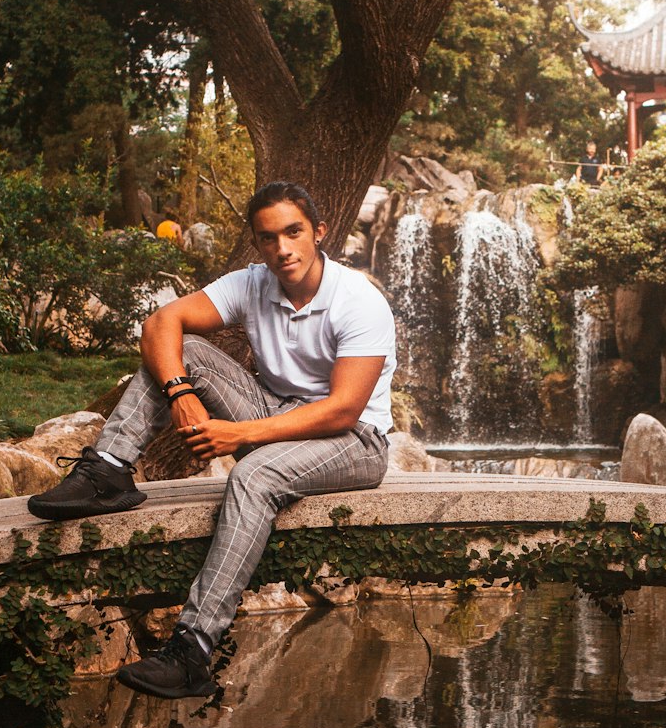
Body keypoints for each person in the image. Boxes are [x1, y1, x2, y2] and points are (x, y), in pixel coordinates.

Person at [26, 182, 396, 699]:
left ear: (320, 232)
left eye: (294, 232)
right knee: (186, 351)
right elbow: (161, 322)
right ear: (257, 244)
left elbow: (342, 410)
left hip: (354, 440)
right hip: (275, 413)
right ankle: (109, 468)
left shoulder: (358, 301)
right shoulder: (253, 284)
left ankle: (194, 649)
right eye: (268, 238)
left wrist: (238, 434)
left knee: (253, 475)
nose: (283, 248)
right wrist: (181, 393)